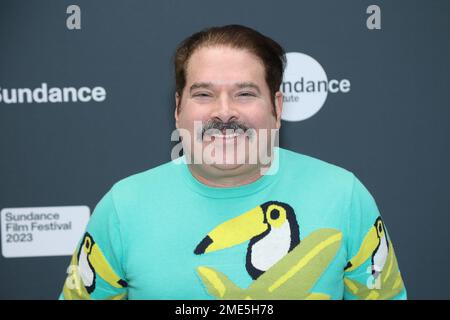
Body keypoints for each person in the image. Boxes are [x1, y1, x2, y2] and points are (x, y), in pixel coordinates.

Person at [59, 24, 407, 300]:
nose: (224, 112)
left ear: (278, 107)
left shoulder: (343, 195)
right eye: (204, 94)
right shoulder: (124, 206)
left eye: (245, 93)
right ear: (178, 109)